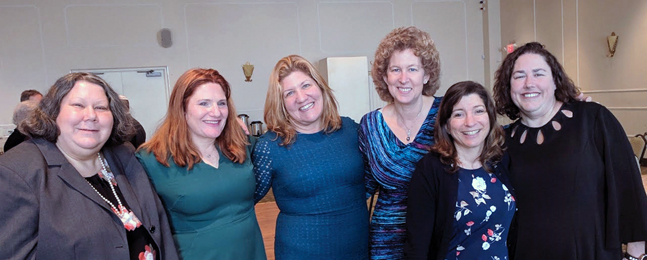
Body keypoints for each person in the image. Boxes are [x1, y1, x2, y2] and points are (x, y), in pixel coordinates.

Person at [492, 42, 647, 259]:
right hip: (527, 252)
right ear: (508, 86)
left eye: (539, 74)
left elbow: (627, 186)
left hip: (589, 251)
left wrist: (637, 251)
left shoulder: (592, 119)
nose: (529, 83)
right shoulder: (502, 141)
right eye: (519, 76)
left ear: (555, 81)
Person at [0, 72, 178, 260]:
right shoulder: (17, 171)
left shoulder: (124, 155)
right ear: (53, 112)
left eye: (101, 107)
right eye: (78, 105)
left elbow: (161, 230)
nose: (91, 115)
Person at [136, 68, 266, 260]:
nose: (216, 112)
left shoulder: (241, 146)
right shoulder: (152, 159)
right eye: (204, 103)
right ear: (182, 108)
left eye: (221, 103)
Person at [253, 54, 369, 259]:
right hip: (302, 251)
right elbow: (242, 200)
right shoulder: (270, 146)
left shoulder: (350, 129)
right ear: (280, 103)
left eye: (306, 85)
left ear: (320, 87)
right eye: (289, 93)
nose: (301, 97)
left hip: (357, 249)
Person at [405, 81, 515, 260]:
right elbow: (416, 246)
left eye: (479, 111)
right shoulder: (430, 169)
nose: (470, 122)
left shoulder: (501, 161)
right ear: (446, 125)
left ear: (490, 117)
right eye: (459, 114)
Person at [359, 26, 442, 259]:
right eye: (395, 69)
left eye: (412, 69)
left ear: (426, 75)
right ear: (385, 77)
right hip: (386, 241)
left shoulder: (447, 115)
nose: (403, 78)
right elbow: (360, 187)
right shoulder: (371, 125)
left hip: (438, 235)